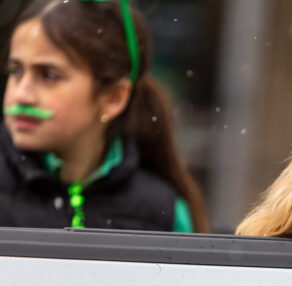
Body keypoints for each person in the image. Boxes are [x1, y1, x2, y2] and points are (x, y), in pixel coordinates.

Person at [0, 0, 209, 232]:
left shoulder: (162, 212)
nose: (22, 94)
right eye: (16, 71)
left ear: (113, 98)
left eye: (49, 75)